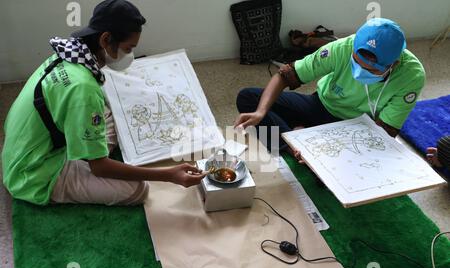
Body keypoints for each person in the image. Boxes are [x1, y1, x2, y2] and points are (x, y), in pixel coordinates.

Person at [2, 0, 206, 206]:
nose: (129, 56)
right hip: (33, 171)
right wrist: (167, 174)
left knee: (110, 113)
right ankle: (79, 160)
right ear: (105, 39)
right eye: (128, 48)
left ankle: (86, 151)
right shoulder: (83, 89)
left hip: (26, 143)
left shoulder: (69, 53)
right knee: (137, 189)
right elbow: (99, 168)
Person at [234, 18, 425, 160]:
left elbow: (384, 132)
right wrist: (260, 113)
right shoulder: (343, 47)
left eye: (371, 70)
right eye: (356, 63)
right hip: (320, 105)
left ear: (394, 63)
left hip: (355, 128)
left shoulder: (412, 76)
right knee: (248, 98)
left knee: (357, 162)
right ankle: (292, 149)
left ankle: (299, 145)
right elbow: (284, 75)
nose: (360, 72)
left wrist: (335, 145)